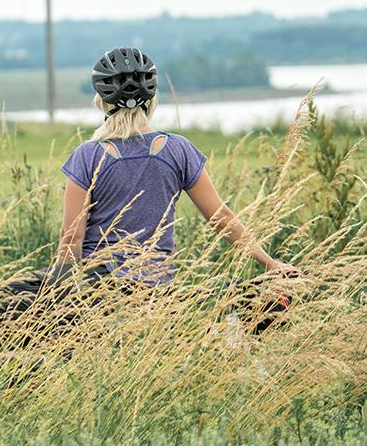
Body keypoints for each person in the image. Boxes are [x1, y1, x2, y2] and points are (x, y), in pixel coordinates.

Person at [55, 47, 296, 286]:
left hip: (97, 289)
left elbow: (71, 238)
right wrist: (271, 264)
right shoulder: (177, 149)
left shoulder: (87, 155)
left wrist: (61, 294)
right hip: (155, 290)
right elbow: (222, 218)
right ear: (150, 99)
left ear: (102, 101)